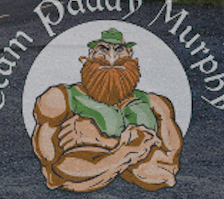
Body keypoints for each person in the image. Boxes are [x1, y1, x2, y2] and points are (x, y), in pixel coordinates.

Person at [31, 28, 183, 192]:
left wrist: (102, 142)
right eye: (103, 49)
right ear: (91, 53)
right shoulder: (59, 98)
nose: (111, 58)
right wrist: (137, 150)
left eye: (119, 49)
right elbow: (56, 171)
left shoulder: (156, 103)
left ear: (130, 53)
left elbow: (168, 169)